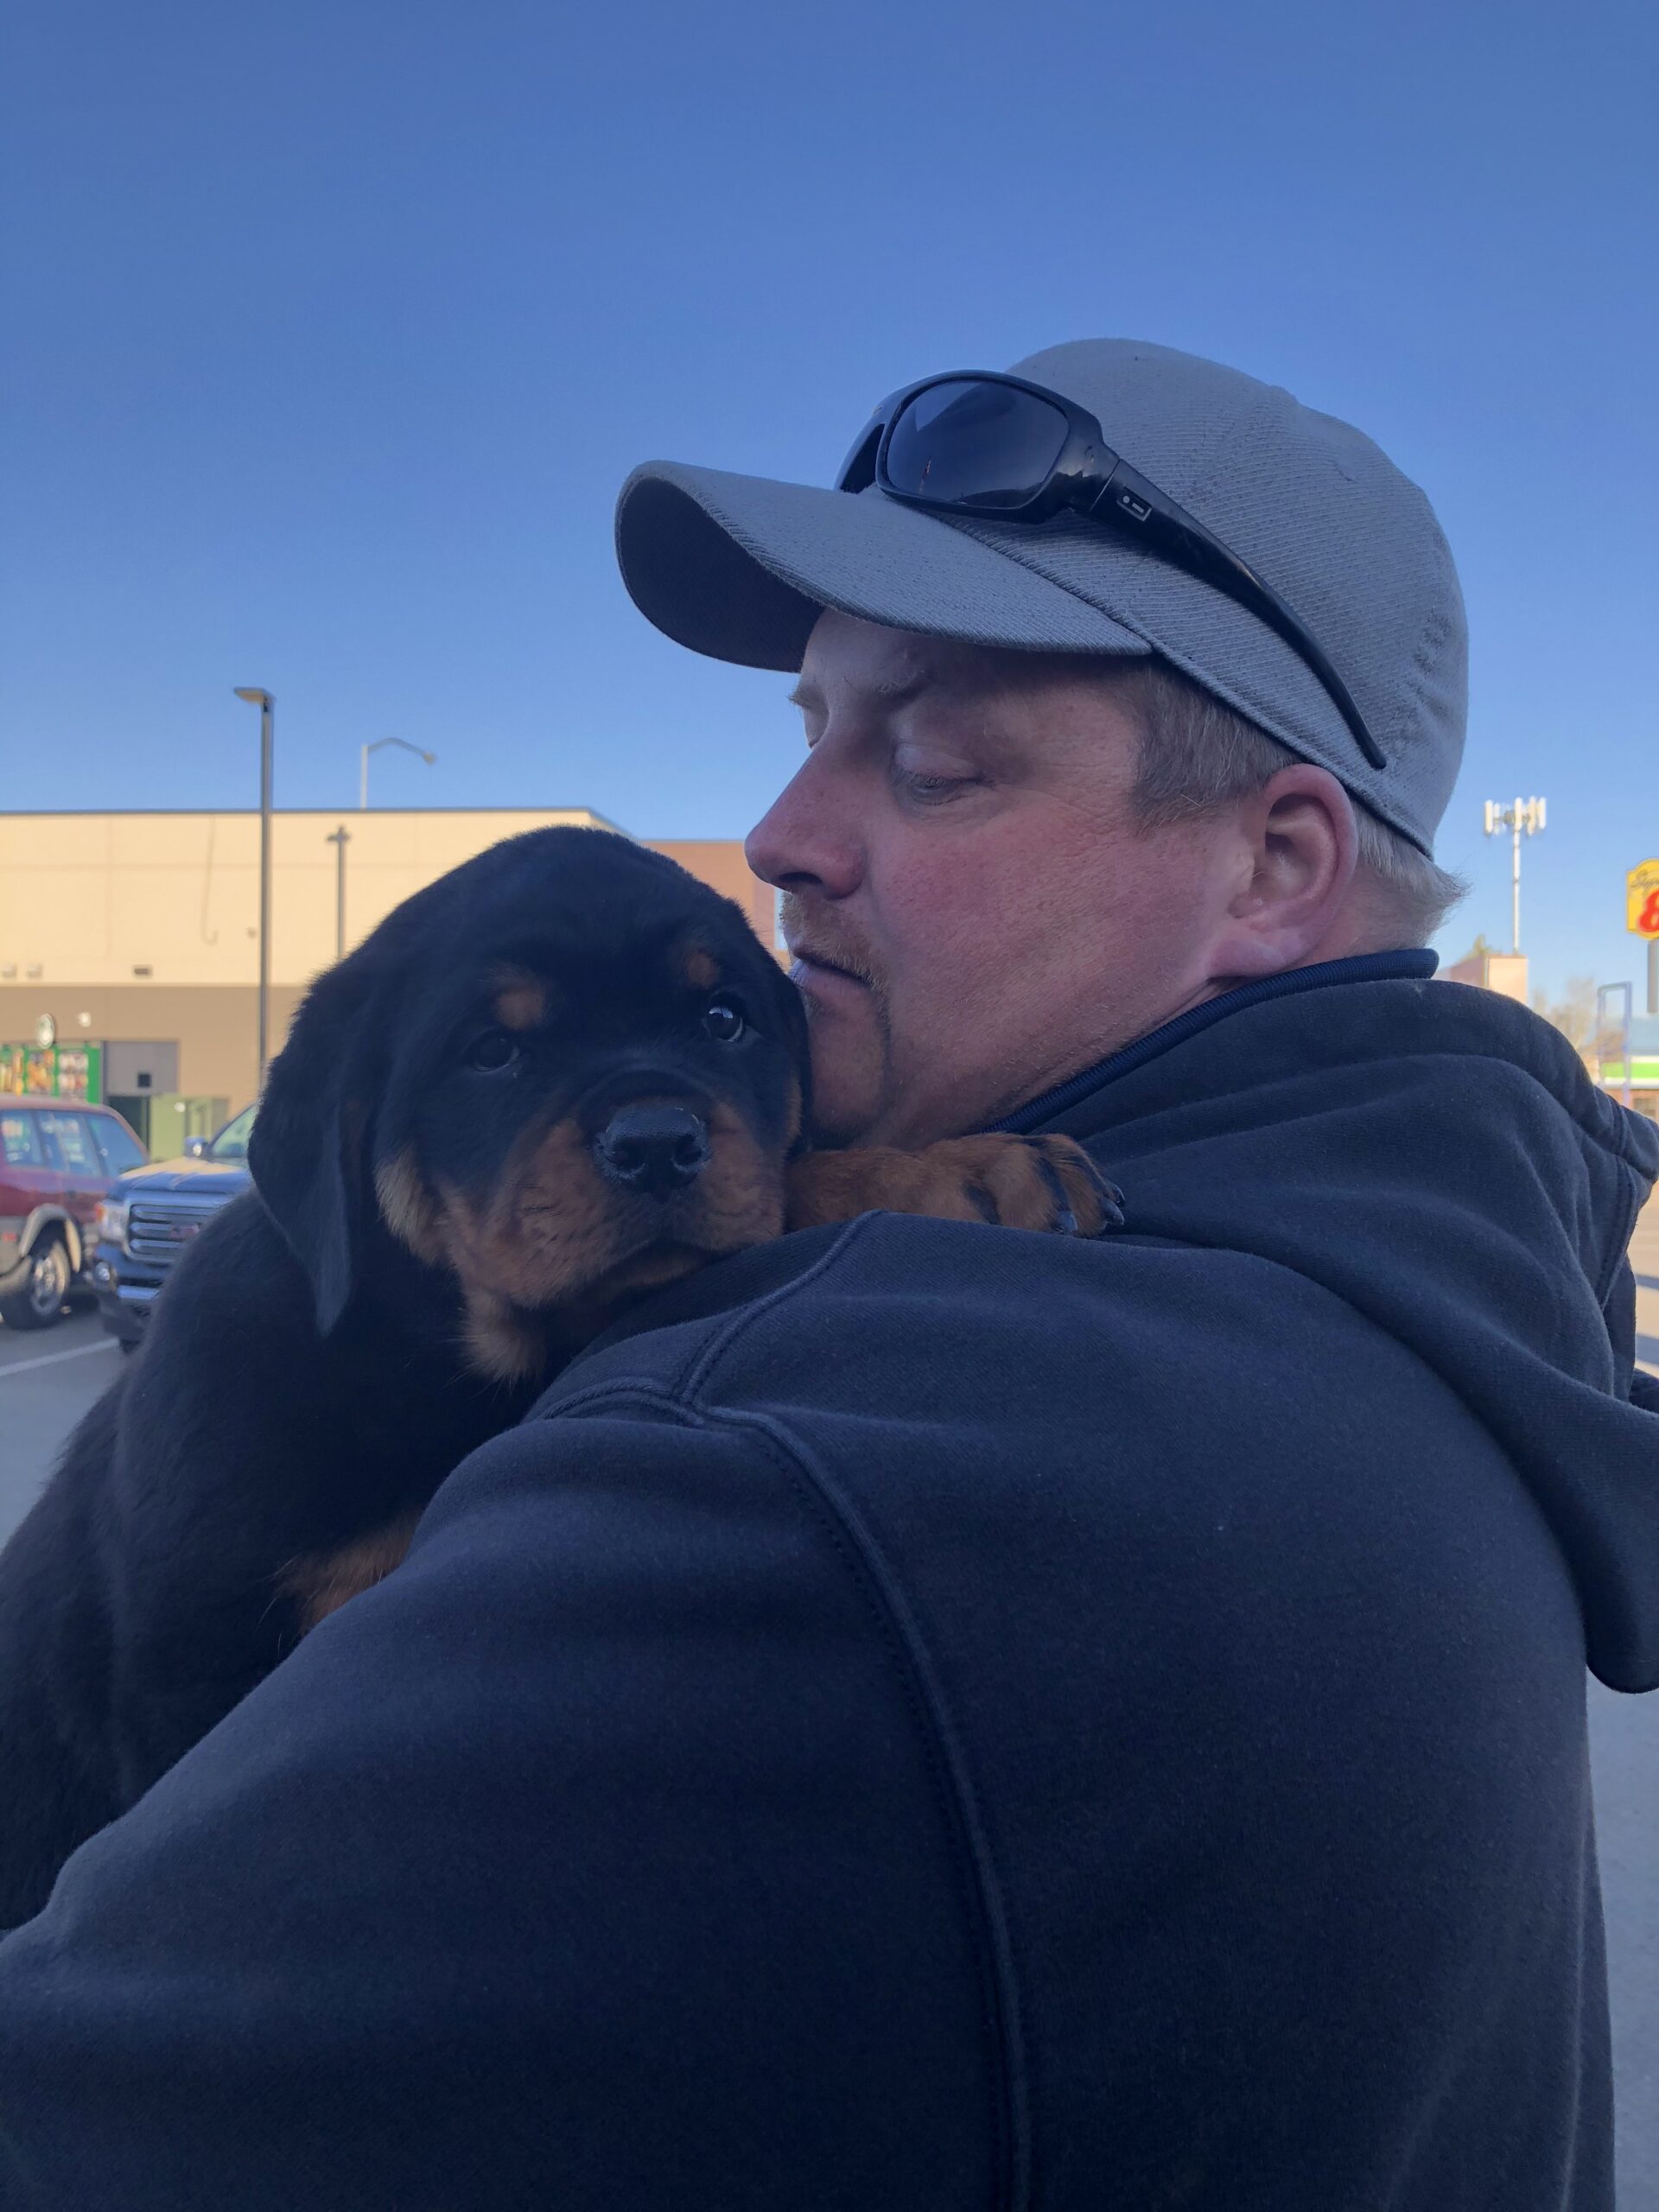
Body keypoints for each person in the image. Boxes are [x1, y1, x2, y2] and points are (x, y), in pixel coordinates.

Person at [1, 340, 1655, 2210]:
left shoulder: (816, 1471)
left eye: (931, 761)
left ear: (1275, 865)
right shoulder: (1436, 1287)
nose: (785, 839)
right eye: (808, 727)